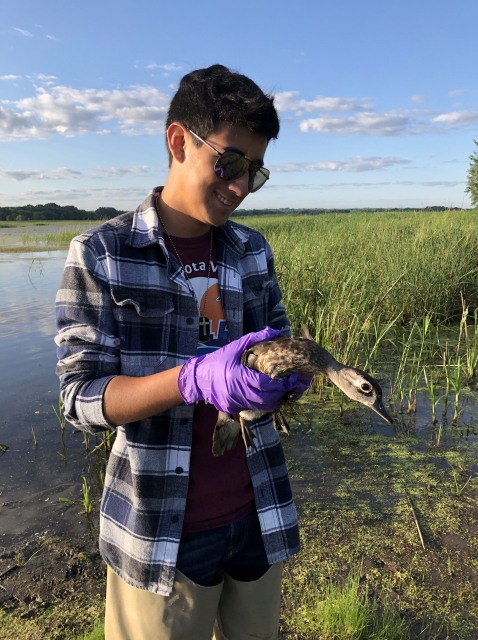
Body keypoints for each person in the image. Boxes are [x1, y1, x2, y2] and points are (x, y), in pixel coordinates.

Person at [55, 64, 311, 640]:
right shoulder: (103, 254)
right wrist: (191, 380)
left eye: (256, 173)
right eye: (230, 163)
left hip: (255, 514)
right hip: (160, 534)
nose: (241, 187)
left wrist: (288, 378)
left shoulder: (251, 250)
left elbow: (278, 341)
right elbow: (80, 399)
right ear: (178, 141)